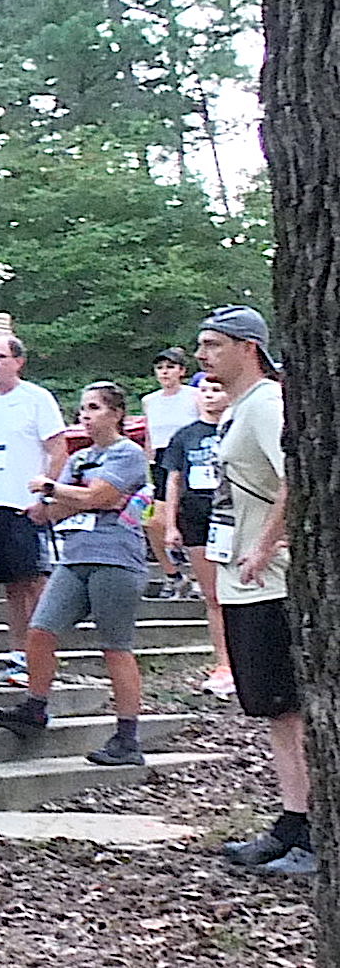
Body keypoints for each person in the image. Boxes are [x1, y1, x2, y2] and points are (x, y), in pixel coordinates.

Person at [192, 306, 315, 877]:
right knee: (273, 710)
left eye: (212, 345)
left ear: (247, 347)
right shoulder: (237, 410)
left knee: (287, 708)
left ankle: (310, 831)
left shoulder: (266, 404)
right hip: (243, 581)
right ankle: (292, 823)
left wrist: (265, 545)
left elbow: (297, 476)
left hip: (270, 581)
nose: (201, 355)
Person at [0, 383, 152, 767]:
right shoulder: (80, 460)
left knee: (115, 647)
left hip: (116, 559)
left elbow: (98, 497)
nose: (85, 415)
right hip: (75, 556)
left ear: (116, 413)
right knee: (41, 629)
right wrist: (55, 499)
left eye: (94, 408)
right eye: (82, 409)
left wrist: (58, 490)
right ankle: (35, 706)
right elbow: (56, 511)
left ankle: (128, 736)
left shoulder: (127, 453)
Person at [0, 335, 67, 689]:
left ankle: (43, 657)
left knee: (34, 582)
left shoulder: (36, 399)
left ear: (18, 361)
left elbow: (58, 450)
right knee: (11, 585)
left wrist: (46, 496)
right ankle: (17, 656)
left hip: (25, 505)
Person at [159, 378, 232, 698]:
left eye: (217, 390)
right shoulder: (185, 436)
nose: (211, 397)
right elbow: (173, 481)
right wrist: (170, 524)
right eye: (205, 391)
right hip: (196, 517)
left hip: (233, 514)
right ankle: (224, 663)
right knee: (212, 595)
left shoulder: (237, 426)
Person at [141, 347, 199, 597]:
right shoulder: (149, 401)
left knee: (190, 516)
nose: (165, 372)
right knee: (154, 521)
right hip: (162, 461)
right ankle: (172, 573)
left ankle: (197, 576)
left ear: (181, 371)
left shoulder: (194, 396)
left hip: (190, 458)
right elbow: (149, 436)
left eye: (170, 367)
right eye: (160, 368)